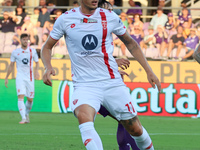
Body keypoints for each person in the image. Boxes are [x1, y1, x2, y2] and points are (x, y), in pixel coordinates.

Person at [41, 0, 161, 150]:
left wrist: (149, 70)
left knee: (135, 128)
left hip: (112, 83)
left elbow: (131, 43)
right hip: (85, 85)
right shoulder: (65, 19)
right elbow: (47, 47)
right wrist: (47, 67)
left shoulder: (109, 17)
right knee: (84, 118)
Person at [4, 33, 39, 124]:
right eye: (23, 39)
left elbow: (37, 62)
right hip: (20, 77)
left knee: (30, 99)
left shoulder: (32, 51)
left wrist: (37, 71)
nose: (25, 41)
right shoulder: (15, 52)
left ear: (28, 40)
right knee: (20, 96)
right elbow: (11, 65)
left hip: (30, 77)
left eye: (27, 39)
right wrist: (7, 77)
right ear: (21, 40)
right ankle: (23, 118)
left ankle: (26, 114)